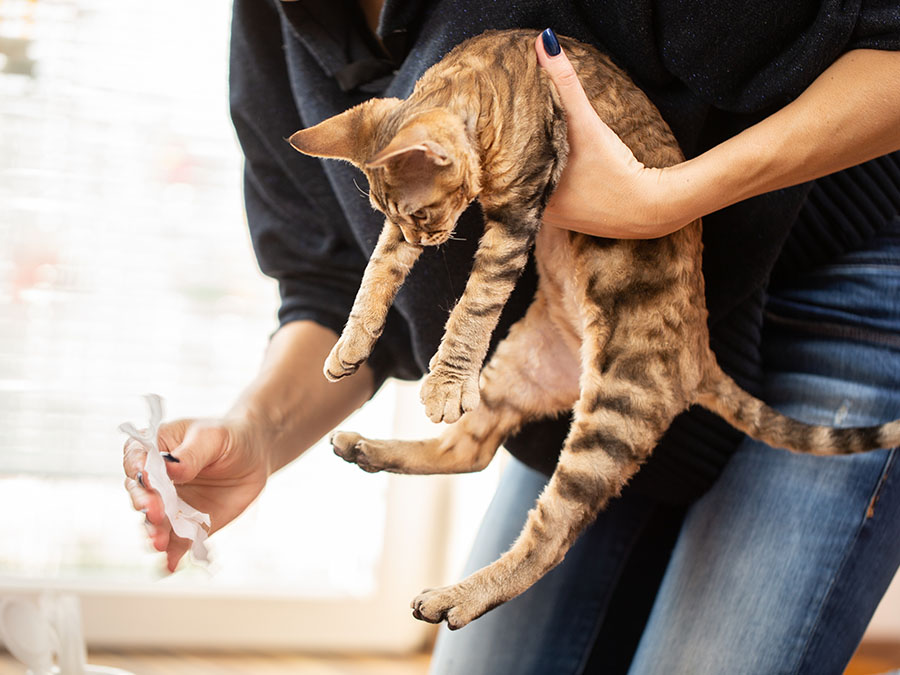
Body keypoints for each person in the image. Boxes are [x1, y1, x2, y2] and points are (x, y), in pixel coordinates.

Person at [123, 2, 900, 672]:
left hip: (844, 280)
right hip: (596, 326)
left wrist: (665, 201)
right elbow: (331, 283)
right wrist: (257, 431)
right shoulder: (275, 23)